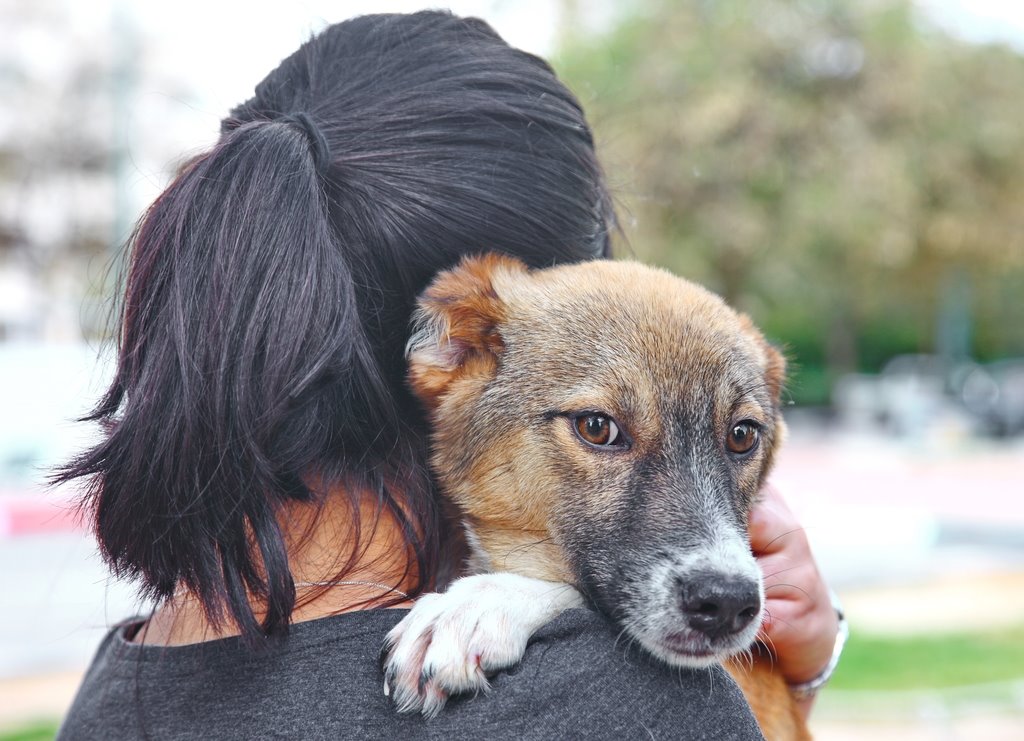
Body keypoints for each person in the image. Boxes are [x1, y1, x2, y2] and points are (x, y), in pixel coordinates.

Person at [55, 11, 839, 739]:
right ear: (466, 348)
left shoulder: (116, 689)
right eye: (601, 427)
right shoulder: (617, 701)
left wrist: (784, 675)